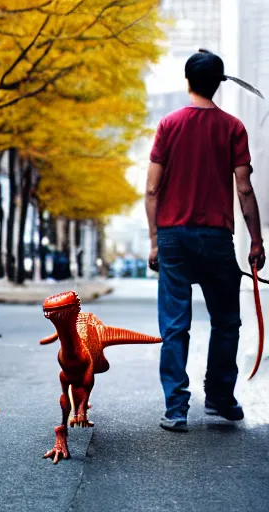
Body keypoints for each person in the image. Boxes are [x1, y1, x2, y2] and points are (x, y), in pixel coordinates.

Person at [145, 49, 266, 433]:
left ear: (187, 81)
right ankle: (218, 398)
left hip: (173, 238)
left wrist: (153, 241)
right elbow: (244, 190)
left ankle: (176, 409)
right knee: (227, 321)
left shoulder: (168, 125)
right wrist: (257, 241)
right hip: (216, 237)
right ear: (218, 83)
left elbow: (152, 189)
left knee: (175, 324)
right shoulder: (233, 127)